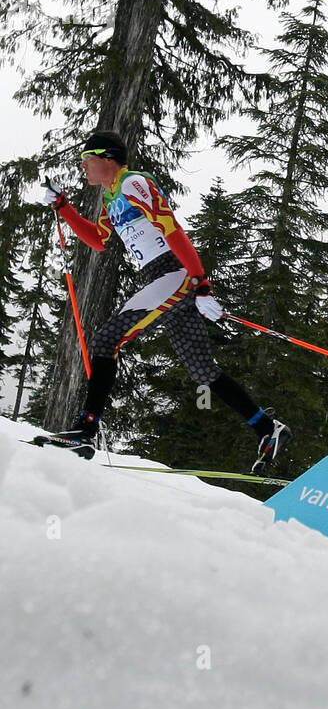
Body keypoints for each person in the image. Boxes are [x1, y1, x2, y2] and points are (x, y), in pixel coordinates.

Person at [43, 129, 290, 472]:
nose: (83, 166)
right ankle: (266, 427)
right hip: (163, 279)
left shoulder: (132, 183)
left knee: (106, 340)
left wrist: (201, 283)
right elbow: (98, 240)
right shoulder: (112, 197)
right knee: (202, 370)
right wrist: (63, 207)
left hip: (172, 274)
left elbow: (170, 227)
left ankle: (86, 429)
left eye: (87, 159)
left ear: (107, 158)